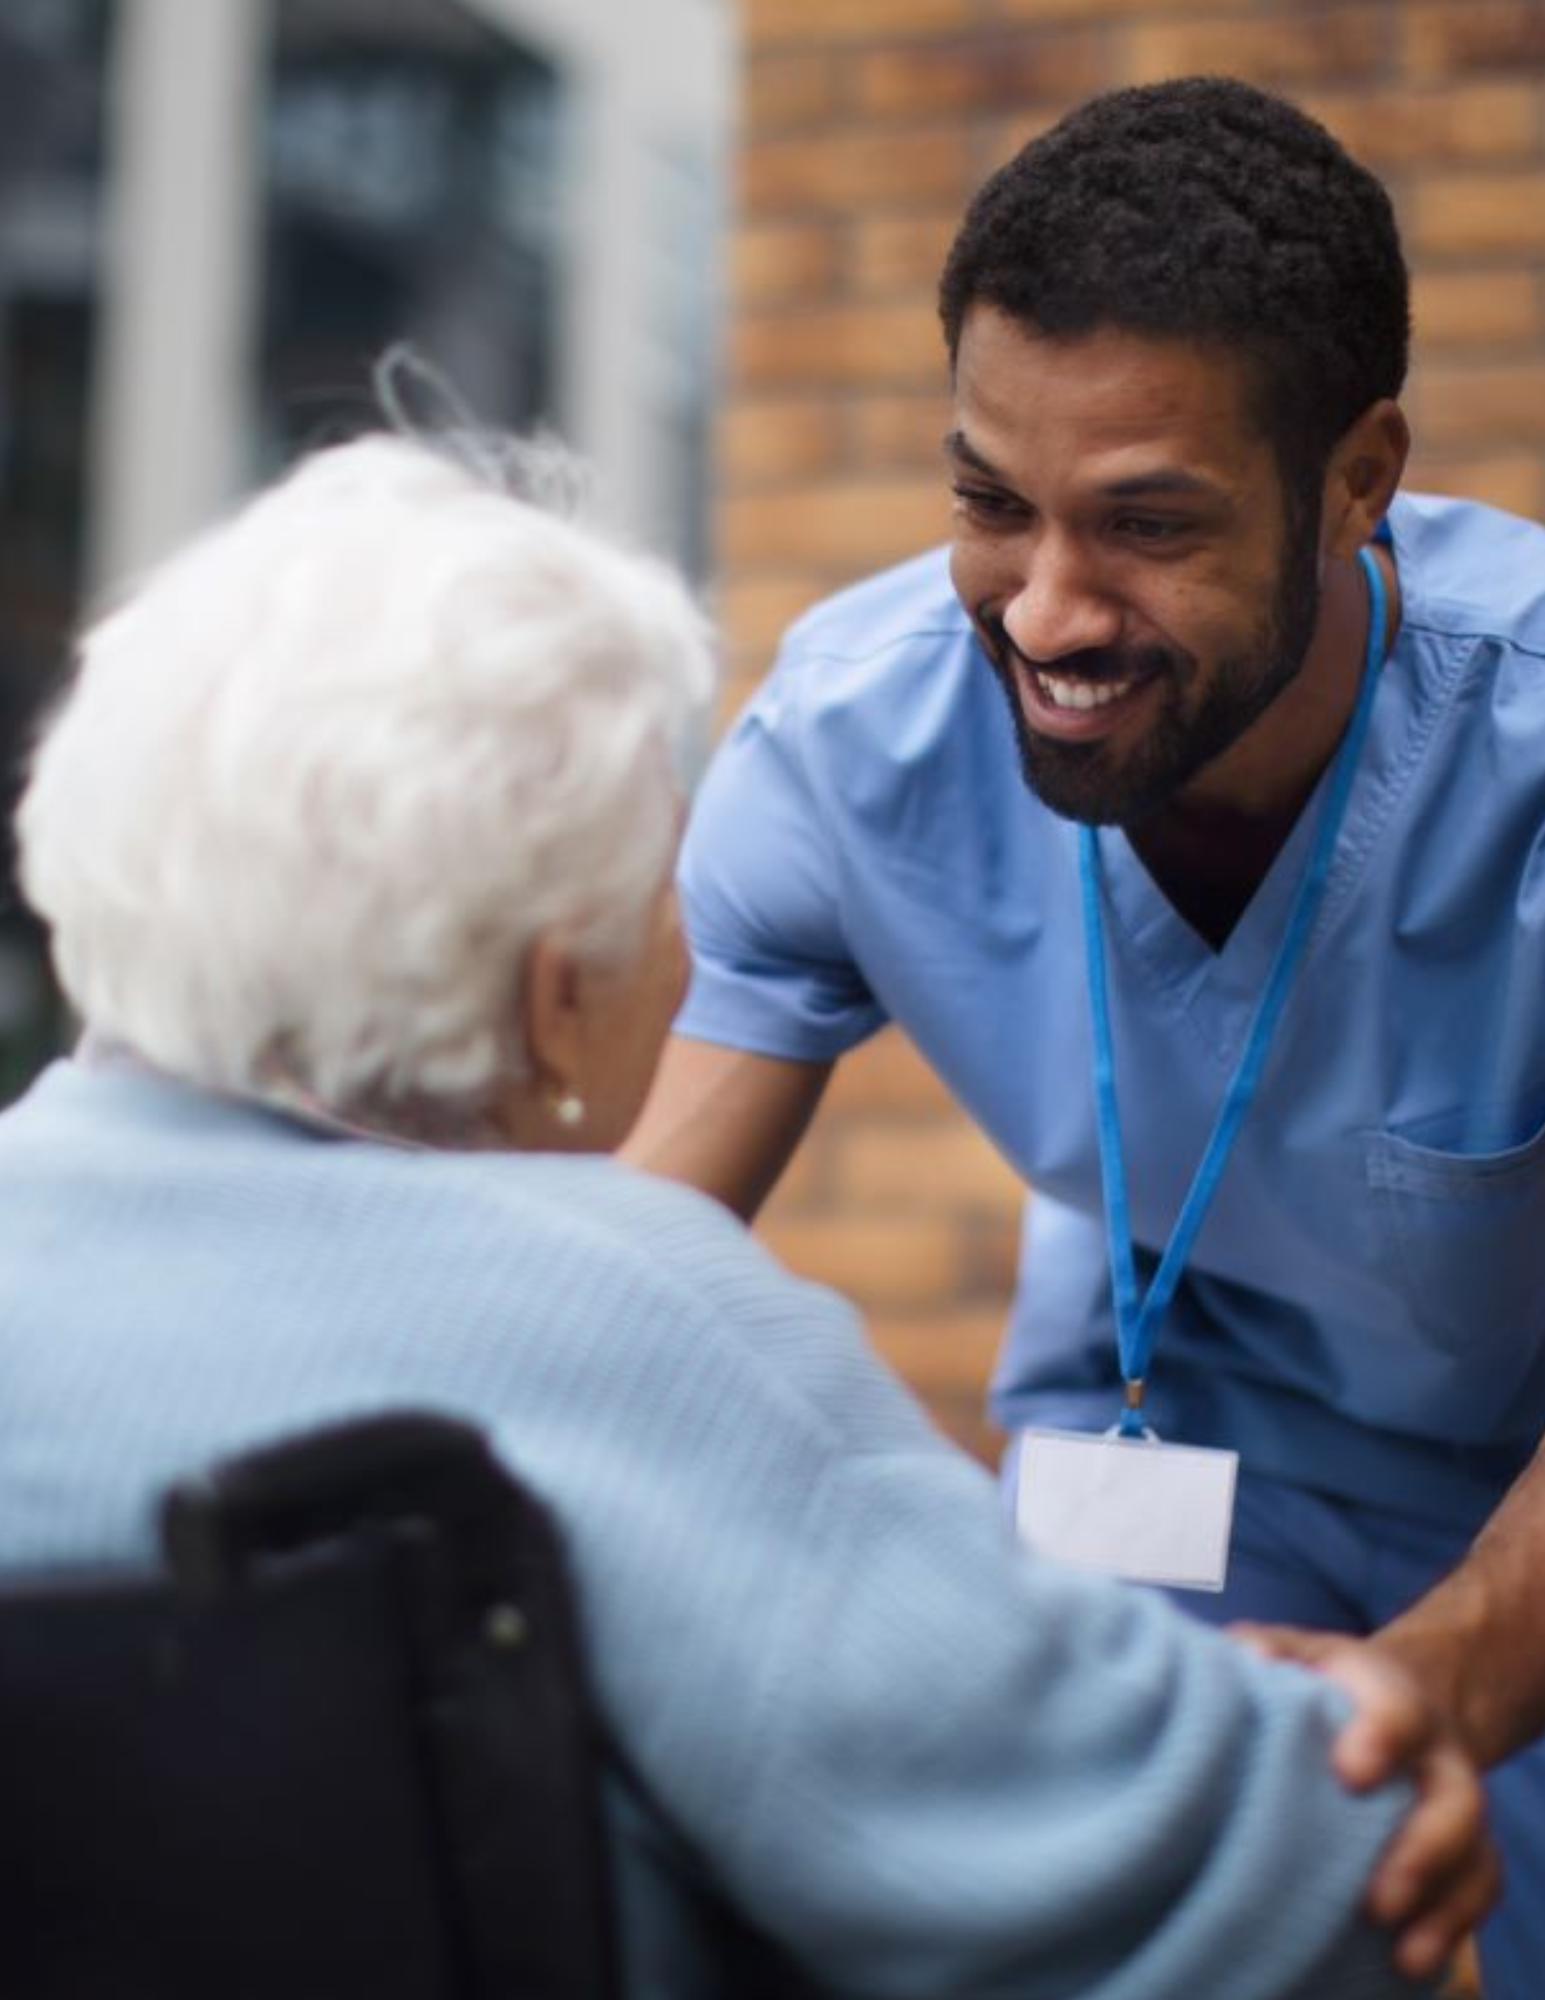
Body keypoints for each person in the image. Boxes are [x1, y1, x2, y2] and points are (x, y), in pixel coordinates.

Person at [0, 429, 1490, 1997]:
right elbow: (1256, 1865)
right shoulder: (618, 1324)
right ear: (549, 995)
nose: (693, 933)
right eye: (666, 871)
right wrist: (1360, 1771)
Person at [625, 73, 1545, 1999]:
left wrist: (1441, 1677)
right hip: (1178, 1441)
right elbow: (624, 1266)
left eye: (1145, 525)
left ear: (1362, 476)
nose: (1045, 611)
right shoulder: (855, 739)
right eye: (988, 503)